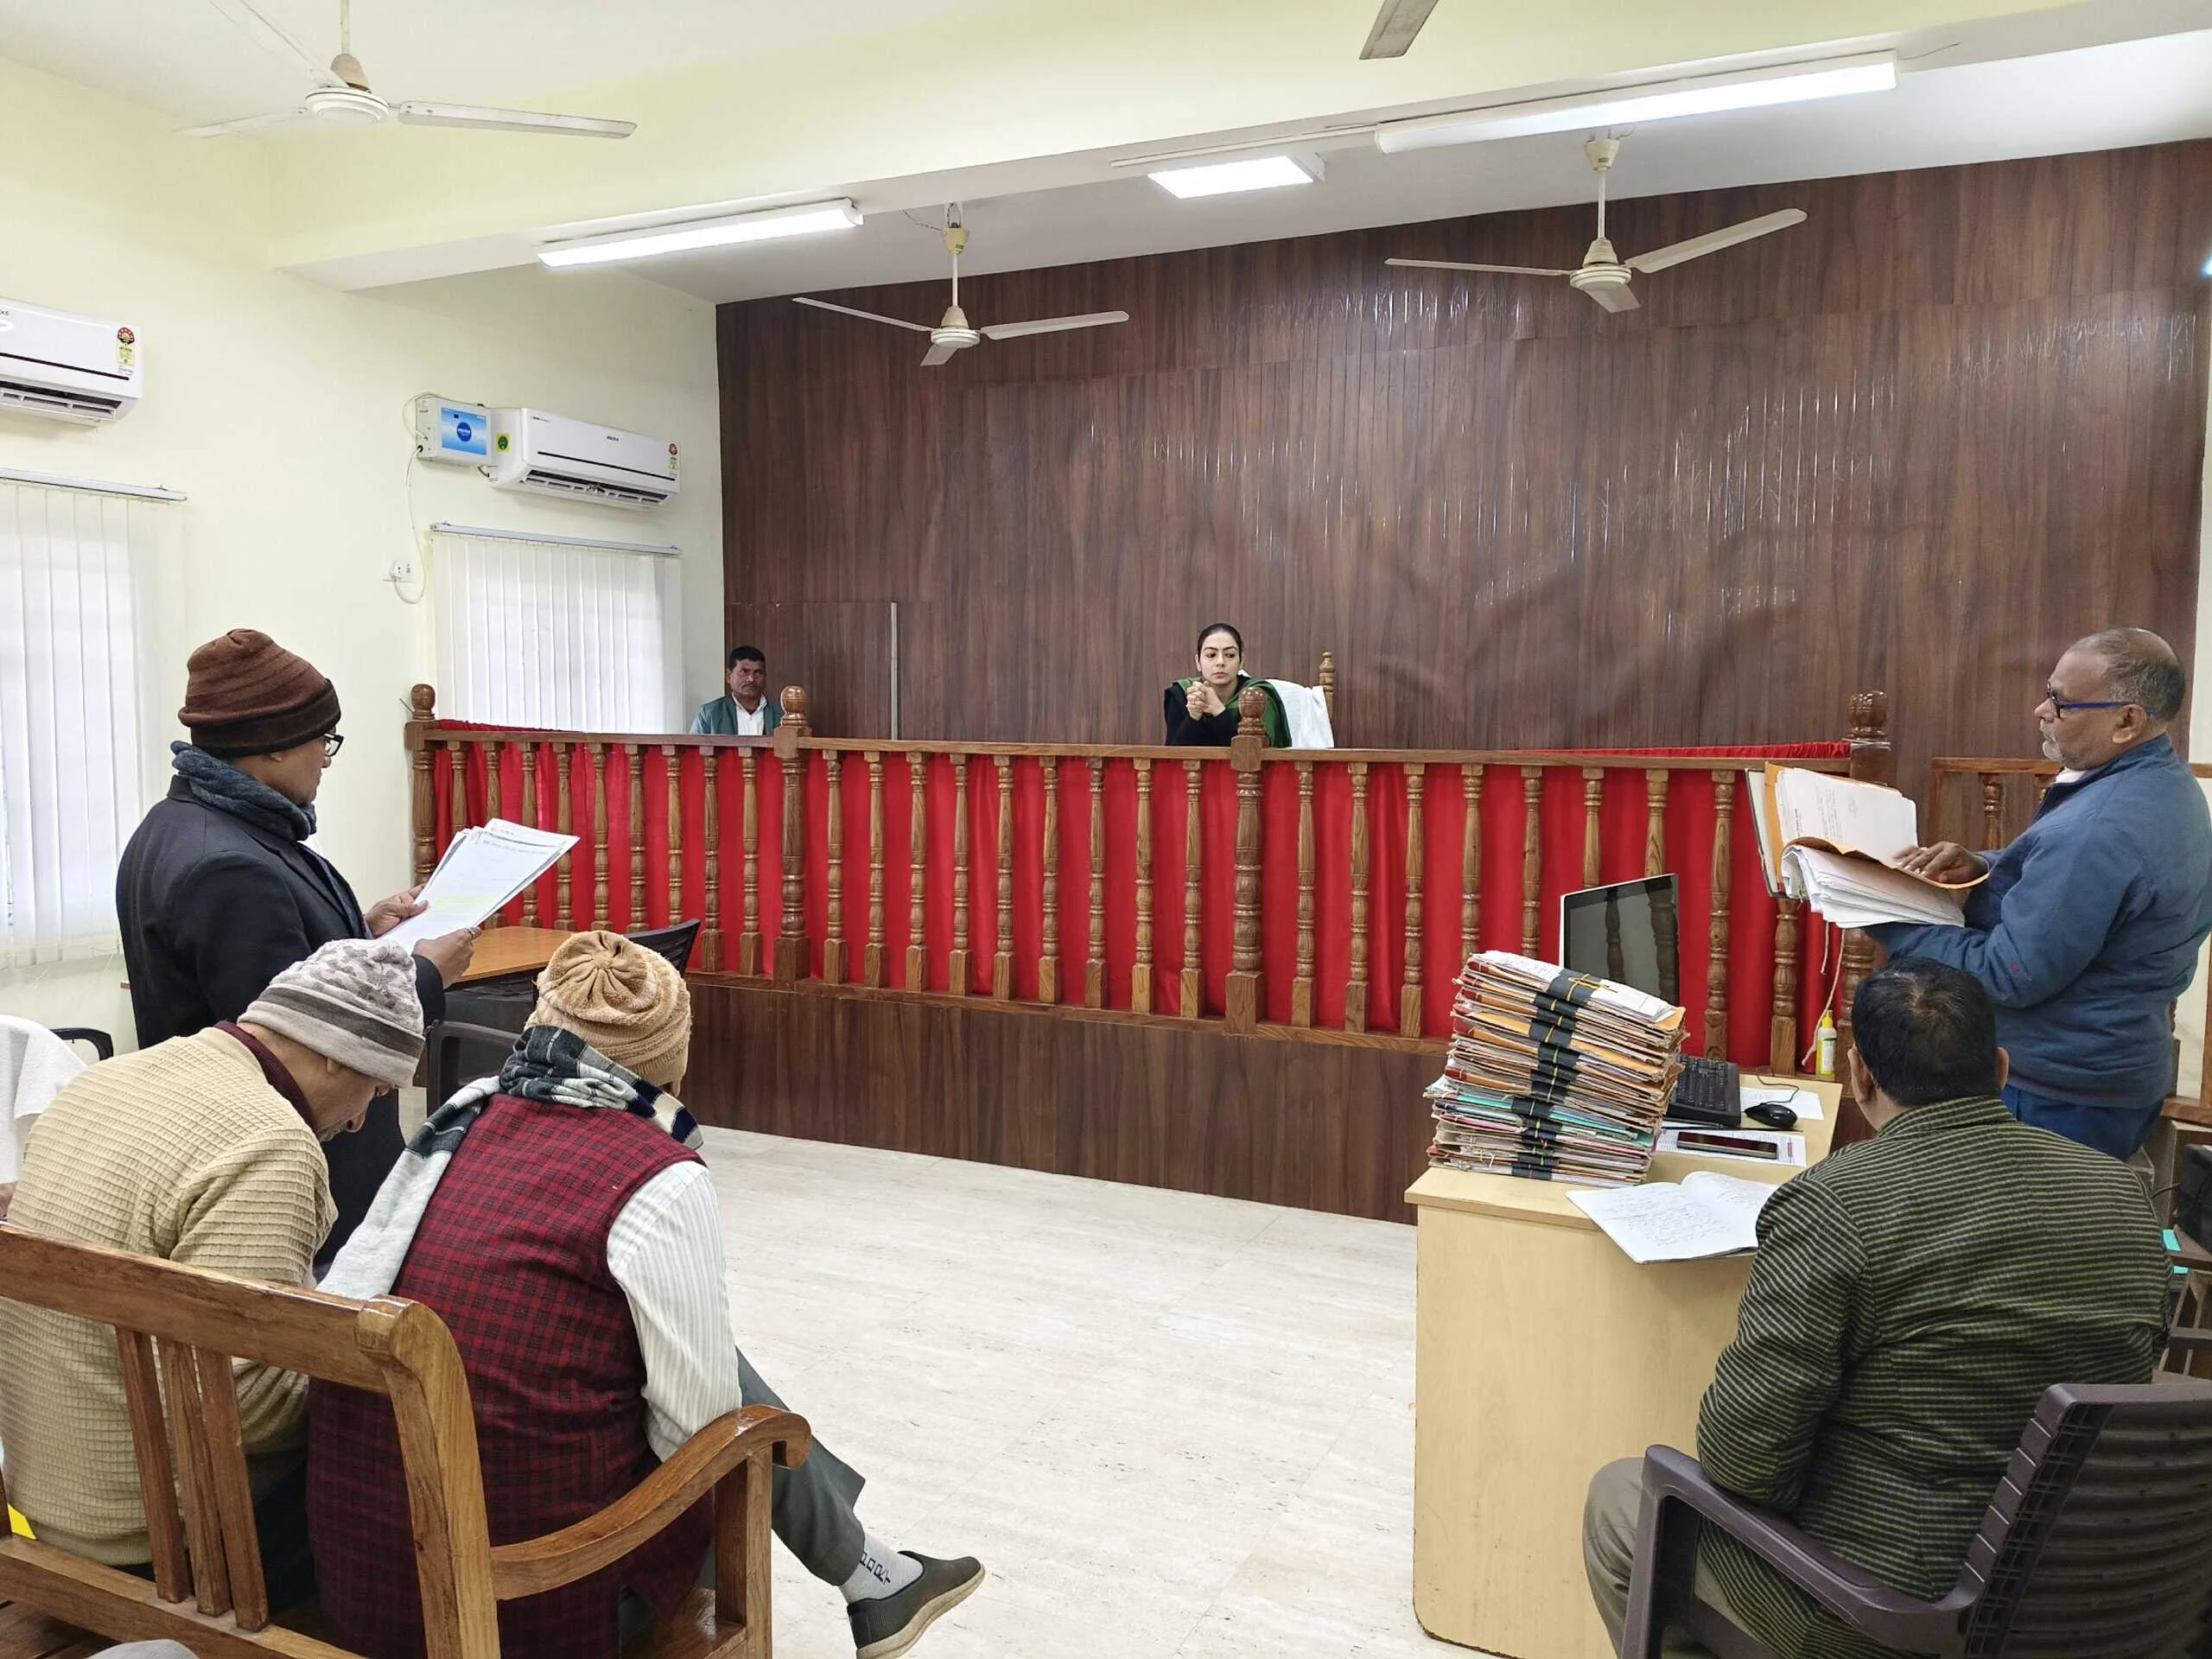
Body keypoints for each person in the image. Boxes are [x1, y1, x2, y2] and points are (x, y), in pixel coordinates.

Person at [309, 931, 984, 1659]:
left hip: (363, 1573)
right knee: (741, 1418)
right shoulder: (657, 1174)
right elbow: (703, 1434)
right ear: (672, 1063)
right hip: (523, 1599)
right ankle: (871, 1572)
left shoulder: (456, 1124)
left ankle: (874, 1572)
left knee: (679, 1354)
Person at [1581, 958, 2170, 1658]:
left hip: (1888, 1616)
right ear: (2001, 1069)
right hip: (2090, 1599)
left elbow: (1745, 1465)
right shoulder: (2121, 1194)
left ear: (1859, 1076)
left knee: (1626, 1500)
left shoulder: (1835, 1206)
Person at [0, 940, 427, 1611]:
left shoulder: (110, 1078)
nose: (358, 1119)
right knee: (410, 1444)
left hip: (43, 1502)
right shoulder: (271, 1144)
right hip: (163, 1544)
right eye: (374, 1088)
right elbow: (242, 1406)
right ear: (334, 1053)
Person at [115, 629, 477, 1262]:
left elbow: (288, 970)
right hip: (297, 1179)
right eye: (323, 739)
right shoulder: (227, 865)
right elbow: (296, 1047)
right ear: (274, 745)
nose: (327, 760)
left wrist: (361, 932)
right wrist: (423, 973)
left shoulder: (186, 824)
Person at [1873, 626, 2212, 1160]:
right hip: (2114, 1069)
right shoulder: (2167, 785)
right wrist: (1984, 868)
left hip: (2058, 1092)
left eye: (2061, 702)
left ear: (2127, 721)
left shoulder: (2097, 829)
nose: (2041, 710)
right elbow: (2087, 892)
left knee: (2023, 1217)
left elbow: (2011, 973)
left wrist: (1883, 911)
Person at [1161, 622, 1288, 746]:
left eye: (1230, 655)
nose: (1220, 662)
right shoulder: (1183, 693)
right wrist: (1193, 717)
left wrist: (1218, 710)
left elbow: (1254, 752)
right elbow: (1172, 756)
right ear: (1198, 662)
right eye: (1211, 655)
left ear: (1241, 662)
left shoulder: (1257, 695)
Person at [691, 645, 785, 736]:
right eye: (744, 672)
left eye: (758, 673)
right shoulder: (709, 714)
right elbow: (694, 746)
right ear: (729, 676)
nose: (751, 679)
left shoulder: (783, 716)